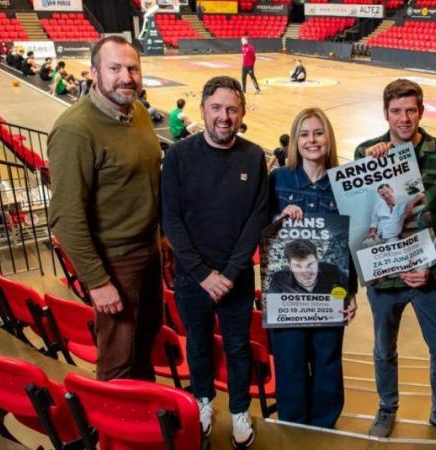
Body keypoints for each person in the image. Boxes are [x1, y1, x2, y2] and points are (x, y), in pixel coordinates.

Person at [354, 79, 436, 440]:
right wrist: (371, 167)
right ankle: (386, 409)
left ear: (421, 110)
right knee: (383, 349)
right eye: (396, 111)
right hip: (384, 279)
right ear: (385, 113)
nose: (404, 118)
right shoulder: (364, 153)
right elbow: (361, 222)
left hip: (429, 275)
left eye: (410, 110)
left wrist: (432, 264)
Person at [47, 36, 163, 382]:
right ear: (95, 72)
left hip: (149, 251)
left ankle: (144, 419)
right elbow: (65, 218)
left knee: (145, 342)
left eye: (132, 68)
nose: (125, 76)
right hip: (115, 262)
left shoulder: (137, 112)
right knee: (118, 358)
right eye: (115, 68)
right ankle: (115, 431)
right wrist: (98, 281)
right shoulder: (75, 130)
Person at [162, 76, 267, 449]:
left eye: (232, 109)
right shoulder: (177, 156)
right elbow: (171, 220)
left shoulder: (254, 157)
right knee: (199, 345)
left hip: (235, 279)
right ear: (204, 110)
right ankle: (203, 402)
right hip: (193, 279)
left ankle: (240, 409)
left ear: (242, 113)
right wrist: (205, 274)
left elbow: (255, 219)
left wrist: (231, 272)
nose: (225, 116)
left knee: (239, 348)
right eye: (217, 108)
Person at [268, 107, 357, 428]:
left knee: (327, 365)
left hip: (328, 292)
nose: (312, 140)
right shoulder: (278, 179)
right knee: (290, 365)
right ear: (295, 141)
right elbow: (261, 232)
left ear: (329, 138)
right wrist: (278, 219)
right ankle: (293, 429)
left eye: (318, 133)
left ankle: (323, 429)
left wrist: (351, 294)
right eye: (304, 134)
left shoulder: (343, 184)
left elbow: (350, 245)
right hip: (287, 296)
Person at [268, 239, 349, 295]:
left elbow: (348, 289)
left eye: (310, 264)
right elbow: (272, 307)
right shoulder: (279, 280)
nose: (306, 272)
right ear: (290, 266)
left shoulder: (333, 271)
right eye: (298, 266)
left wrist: (352, 299)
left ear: (317, 260)